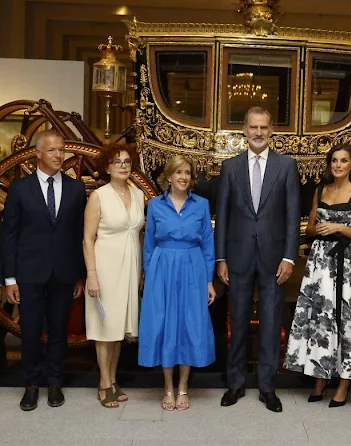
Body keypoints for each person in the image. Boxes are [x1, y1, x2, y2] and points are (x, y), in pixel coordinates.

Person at [284, 143, 351, 407]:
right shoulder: (321, 190)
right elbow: (308, 228)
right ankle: (321, 377)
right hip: (320, 263)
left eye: (343, 161)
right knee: (321, 318)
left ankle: (344, 381)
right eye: (334, 160)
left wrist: (339, 228)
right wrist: (317, 229)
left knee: (347, 319)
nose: (338, 165)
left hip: (347, 263)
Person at [216, 106, 300, 413]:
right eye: (253, 127)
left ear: (272, 131)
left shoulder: (287, 166)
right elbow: (222, 216)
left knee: (270, 324)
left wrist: (290, 257)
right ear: (244, 130)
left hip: (274, 258)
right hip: (236, 257)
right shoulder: (230, 167)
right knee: (236, 322)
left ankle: (267, 386)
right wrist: (221, 258)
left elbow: (293, 216)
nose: (258, 132)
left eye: (264, 127)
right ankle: (235, 383)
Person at [2, 129, 86, 411]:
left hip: (64, 273)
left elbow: (78, 235)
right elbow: (9, 235)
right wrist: (10, 278)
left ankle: (54, 383)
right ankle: (31, 385)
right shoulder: (19, 188)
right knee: (30, 331)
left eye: (61, 150)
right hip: (29, 273)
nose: (58, 155)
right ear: (37, 154)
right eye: (52, 150)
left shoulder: (76, 189)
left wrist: (80, 274)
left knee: (59, 332)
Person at [138, 155, 216, 411]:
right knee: (165, 324)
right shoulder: (155, 205)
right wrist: (149, 276)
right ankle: (168, 388)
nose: (183, 177)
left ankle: (183, 386)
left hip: (193, 267)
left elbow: (207, 245)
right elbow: (148, 246)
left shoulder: (201, 204)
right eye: (178, 172)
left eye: (187, 172)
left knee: (189, 324)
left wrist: (208, 280)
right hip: (162, 269)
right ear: (168, 177)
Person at [83, 144, 145, 408]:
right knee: (104, 326)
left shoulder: (139, 194)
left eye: (127, 161)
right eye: (117, 161)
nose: (123, 165)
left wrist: (141, 269)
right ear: (106, 167)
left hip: (130, 266)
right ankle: (104, 383)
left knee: (119, 328)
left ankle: (114, 379)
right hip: (105, 266)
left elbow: (140, 234)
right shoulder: (98, 196)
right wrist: (92, 275)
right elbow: (87, 239)